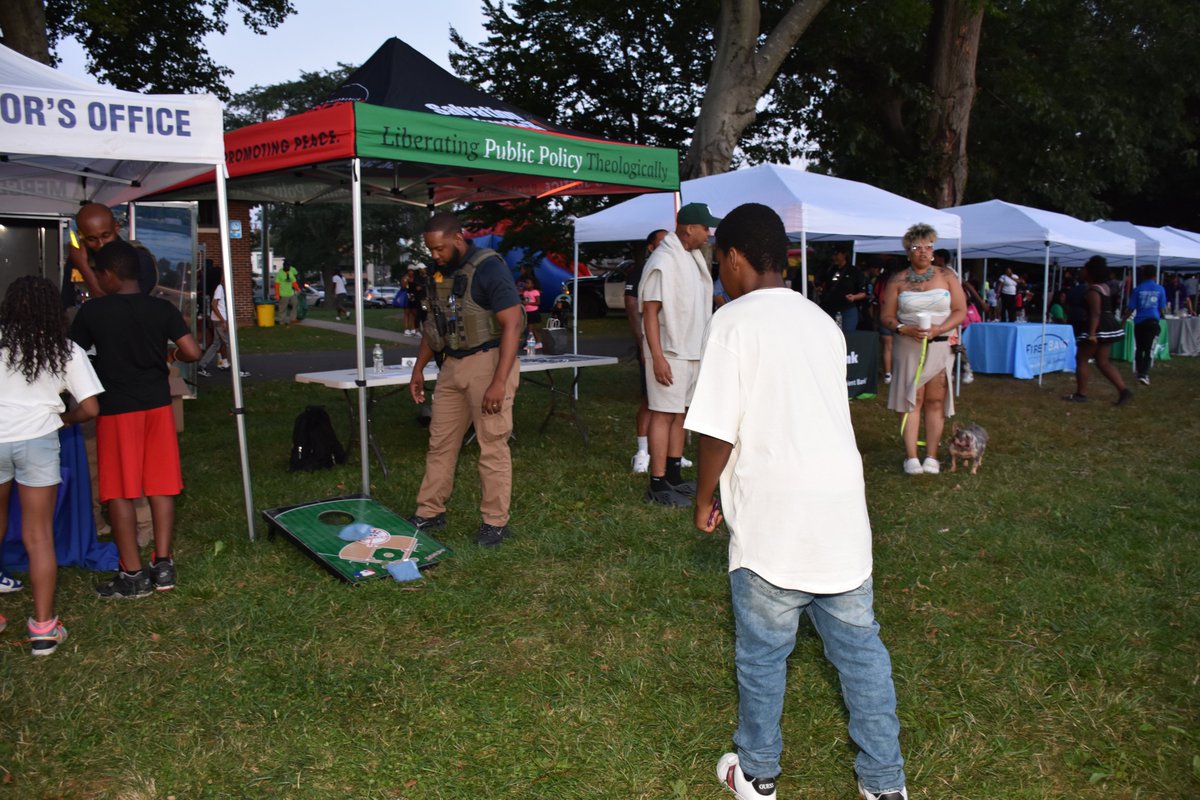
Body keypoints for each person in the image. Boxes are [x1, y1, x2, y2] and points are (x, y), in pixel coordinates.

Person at [687, 203, 908, 800]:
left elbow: (715, 431)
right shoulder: (823, 321)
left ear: (733, 258)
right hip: (840, 512)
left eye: (718, 263)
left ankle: (757, 774)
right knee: (862, 656)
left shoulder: (733, 322)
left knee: (762, 657)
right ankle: (885, 785)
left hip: (773, 516)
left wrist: (705, 495)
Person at [70, 240, 201, 597]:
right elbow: (192, 351)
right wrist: (170, 351)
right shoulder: (161, 308)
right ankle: (163, 565)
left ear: (108, 276)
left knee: (119, 494)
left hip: (117, 411)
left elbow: (71, 356)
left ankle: (132, 574)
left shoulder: (93, 313)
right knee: (160, 486)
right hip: (157, 407)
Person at [0, 277, 104, 654]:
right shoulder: (64, 350)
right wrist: (66, 419)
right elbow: (91, 408)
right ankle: (43, 629)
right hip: (39, 441)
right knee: (39, 535)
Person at [407, 213, 524, 547]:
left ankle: (495, 522)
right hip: (452, 366)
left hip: (488, 363)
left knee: (492, 444)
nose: (435, 255)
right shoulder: (439, 272)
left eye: (440, 248)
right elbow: (435, 325)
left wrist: (499, 382)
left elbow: (513, 324)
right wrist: (419, 369)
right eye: (431, 250)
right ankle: (429, 511)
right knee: (439, 442)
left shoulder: (489, 267)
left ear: (458, 238)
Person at [638, 203, 717, 506]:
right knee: (662, 413)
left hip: (689, 350)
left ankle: (673, 475)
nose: (709, 233)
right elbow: (650, 311)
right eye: (705, 228)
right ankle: (657, 484)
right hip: (668, 351)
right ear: (688, 229)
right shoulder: (664, 259)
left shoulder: (690, 257)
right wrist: (656, 356)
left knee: (680, 414)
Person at [880, 224, 966, 475]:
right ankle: (911, 457)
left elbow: (960, 311)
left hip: (940, 345)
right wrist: (902, 329)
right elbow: (886, 316)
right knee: (913, 399)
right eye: (917, 247)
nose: (923, 252)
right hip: (908, 346)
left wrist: (940, 330)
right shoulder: (897, 280)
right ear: (908, 252)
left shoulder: (948, 276)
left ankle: (931, 455)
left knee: (935, 399)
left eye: (928, 247)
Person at [625, 229, 668, 474]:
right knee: (649, 399)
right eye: (661, 243)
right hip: (650, 345)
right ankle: (642, 452)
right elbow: (632, 306)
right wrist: (642, 343)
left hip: (673, 345)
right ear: (650, 247)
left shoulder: (674, 268)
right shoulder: (641, 271)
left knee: (674, 403)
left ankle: (673, 452)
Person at [1064, 256, 1132, 405]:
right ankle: (1123, 390)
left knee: (1082, 359)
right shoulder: (1105, 287)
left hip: (1098, 326)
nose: (1082, 271)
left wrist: (1092, 333)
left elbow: (1095, 312)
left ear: (1090, 272)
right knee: (1103, 361)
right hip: (1107, 323)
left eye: (1084, 269)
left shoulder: (1093, 290)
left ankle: (1081, 394)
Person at [67, 203, 158, 300]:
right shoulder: (78, 258)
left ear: (116, 228)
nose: (101, 244)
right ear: (81, 236)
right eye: (92, 239)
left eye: (106, 236)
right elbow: (65, 300)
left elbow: (117, 307)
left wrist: (84, 268)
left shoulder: (138, 258)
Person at [196, 272, 249, 378]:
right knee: (230, 343)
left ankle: (201, 366)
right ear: (222, 278)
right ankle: (236, 369)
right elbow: (214, 304)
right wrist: (223, 320)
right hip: (220, 321)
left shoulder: (224, 289)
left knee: (216, 344)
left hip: (219, 320)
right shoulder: (220, 288)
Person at [1131, 266, 1167, 386]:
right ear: (1154, 276)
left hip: (1139, 322)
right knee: (1149, 349)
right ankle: (1144, 374)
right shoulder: (1160, 289)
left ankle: (1139, 372)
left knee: (1139, 348)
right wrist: (1162, 315)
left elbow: (1131, 307)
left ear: (1144, 275)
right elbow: (1162, 307)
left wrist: (1123, 321)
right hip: (1152, 321)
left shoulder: (1138, 289)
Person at [821, 244, 867, 332]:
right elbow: (826, 285)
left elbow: (863, 293)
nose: (834, 257)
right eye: (833, 255)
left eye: (836, 255)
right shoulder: (830, 270)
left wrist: (854, 297)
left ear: (844, 255)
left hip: (847, 309)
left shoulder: (854, 271)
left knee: (848, 335)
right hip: (830, 308)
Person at [274, 260, 300, 326]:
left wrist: (298, 289)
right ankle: (281, 321)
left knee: (295, 304)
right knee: (283, 308)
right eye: (286, 266)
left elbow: (293, 282)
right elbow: (277, 285)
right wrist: (277, 294)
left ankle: (293, 319)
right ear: (283, 266)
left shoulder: (291, 271)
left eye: (288, 266)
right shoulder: (279, 274)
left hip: (291, 293)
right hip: (283, 293)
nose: (287, 268)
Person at [519, 266, 542, 340]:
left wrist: (528, 303)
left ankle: (531, 342)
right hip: (527, 311)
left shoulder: (535, 291)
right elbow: (523, 296)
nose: (525, 284)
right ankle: (536, 342)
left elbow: (538, 302)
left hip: (533, 311)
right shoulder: (525, 292)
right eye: (525, 283)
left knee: (530, 329)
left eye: (527, 283)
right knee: (530, 328)